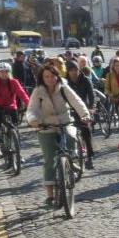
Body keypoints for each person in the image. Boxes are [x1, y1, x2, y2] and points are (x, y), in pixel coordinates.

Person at [25, 63, 91, 205]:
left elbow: (76, 101)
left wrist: (85, 115)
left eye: (52, 75)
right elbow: (32, 109)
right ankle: (50, 195)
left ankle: (71, 162)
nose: (50, 79)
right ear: (42, 78)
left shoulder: (63, 88)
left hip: (64, 121)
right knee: (49, 159)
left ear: (57, 75)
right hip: (46, 125)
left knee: (71, 137)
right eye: (46, 76)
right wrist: (33, 120)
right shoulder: (38, 91)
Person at [65, 61, 98, 169]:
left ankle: (90, 157)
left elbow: (91, 95)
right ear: (68, 71)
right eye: (71, 70)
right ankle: (68, 157)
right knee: (66, 132)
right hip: (70, 110)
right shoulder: (64, 82)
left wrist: (92, 107)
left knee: (86, 132)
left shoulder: (86, 80)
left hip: (84, 109)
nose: (74, 72)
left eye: (76, 70)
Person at [0, 63, 29, 132]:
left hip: (10, 104)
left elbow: (22, 93)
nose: (4, 74)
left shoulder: (14, 82)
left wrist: (29, 104)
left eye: (6, 71)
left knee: (15, 119)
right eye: (1, 72)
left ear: (9, 72)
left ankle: (15, 134)